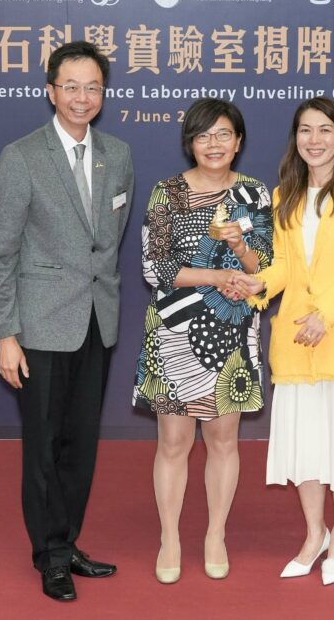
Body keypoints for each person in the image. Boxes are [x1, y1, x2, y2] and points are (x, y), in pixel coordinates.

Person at [0, 41, 134, 602]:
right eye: (70, 86)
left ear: (103, 92)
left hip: (98, 321)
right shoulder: (21, 156)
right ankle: (48, 556)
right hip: (40, 325)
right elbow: (1, 253)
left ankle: (67, 540)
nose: (82, 97)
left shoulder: (116, 154)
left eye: (92, 86)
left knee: (82, 445)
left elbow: (107, 241)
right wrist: (7, 333)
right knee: (43, 445)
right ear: (50, 91)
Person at [234, 97, 334, 586]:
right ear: (295, 139)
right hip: (297, 341)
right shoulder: (284, 197)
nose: (314, 140)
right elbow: (283, 266)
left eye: (324, 130)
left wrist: (327, 313)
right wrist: (257, 285)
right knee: (304, 446)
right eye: (305, 130)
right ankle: (313, 534)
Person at [133, 98, 273, 584]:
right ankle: (169, 537)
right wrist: (218, 273)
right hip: (174, 332)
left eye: (223, 134)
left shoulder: (255, 194)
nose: (214, 145)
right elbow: (156, 269)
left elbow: (264, 267)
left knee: (222, 440)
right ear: (190, 143)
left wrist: (239, 246)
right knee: (172, 441)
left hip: (232, 330)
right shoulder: (167, 193)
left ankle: (216, 534)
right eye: (203, 136)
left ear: (238, 141)